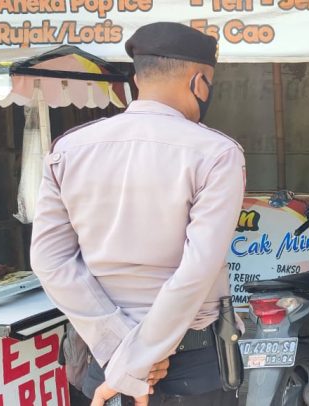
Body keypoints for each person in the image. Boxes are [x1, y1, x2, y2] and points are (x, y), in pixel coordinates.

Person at [30, 22, 245, 405]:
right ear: (198, 82)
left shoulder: (69, 149)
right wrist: (138, 360)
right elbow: (197, 270)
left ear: (136, 78)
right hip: (188, 366)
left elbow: (49, 261)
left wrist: (120, 349)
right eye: (209, 83)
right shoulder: (216, 153)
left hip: (105, 360)